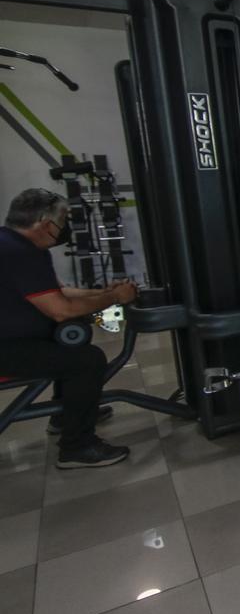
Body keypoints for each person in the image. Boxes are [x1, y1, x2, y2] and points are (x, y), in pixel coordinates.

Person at [0, 188, 137, 468]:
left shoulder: (10, 243)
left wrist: (102, 293)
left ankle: (65, 415)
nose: (64, 228)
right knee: (87, 360)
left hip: (11, 337)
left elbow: (58, 293)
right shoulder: (23, 254)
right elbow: (61, 310)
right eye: (62, 220)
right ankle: (77, 446)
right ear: (46, 223)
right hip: (6, 348)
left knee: (68, 343)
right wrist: (113, 299)